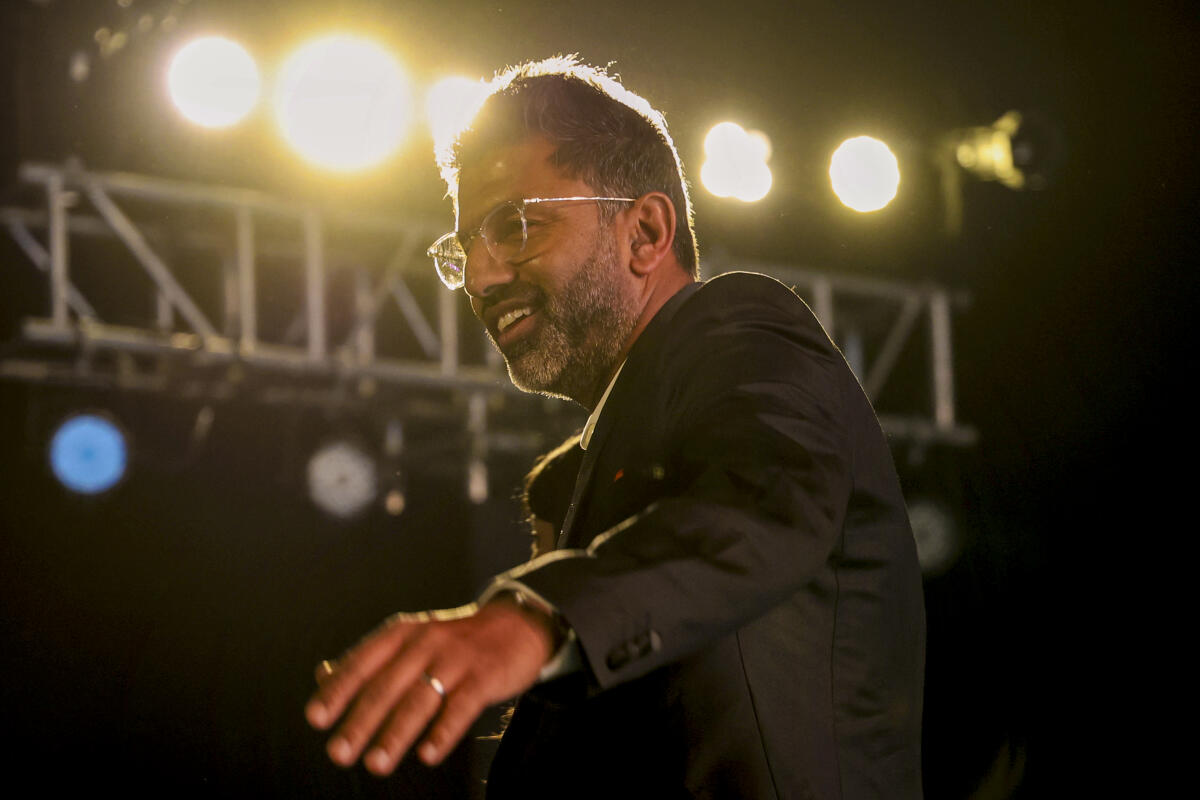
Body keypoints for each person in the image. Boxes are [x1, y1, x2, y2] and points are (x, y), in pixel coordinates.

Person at [306, 56, 925, 798]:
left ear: (646, 231)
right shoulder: (588, 467)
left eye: (515, 224)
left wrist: (540, 616)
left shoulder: (738, 328)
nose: (479, 275)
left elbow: (767, 501)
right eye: (465, 245)